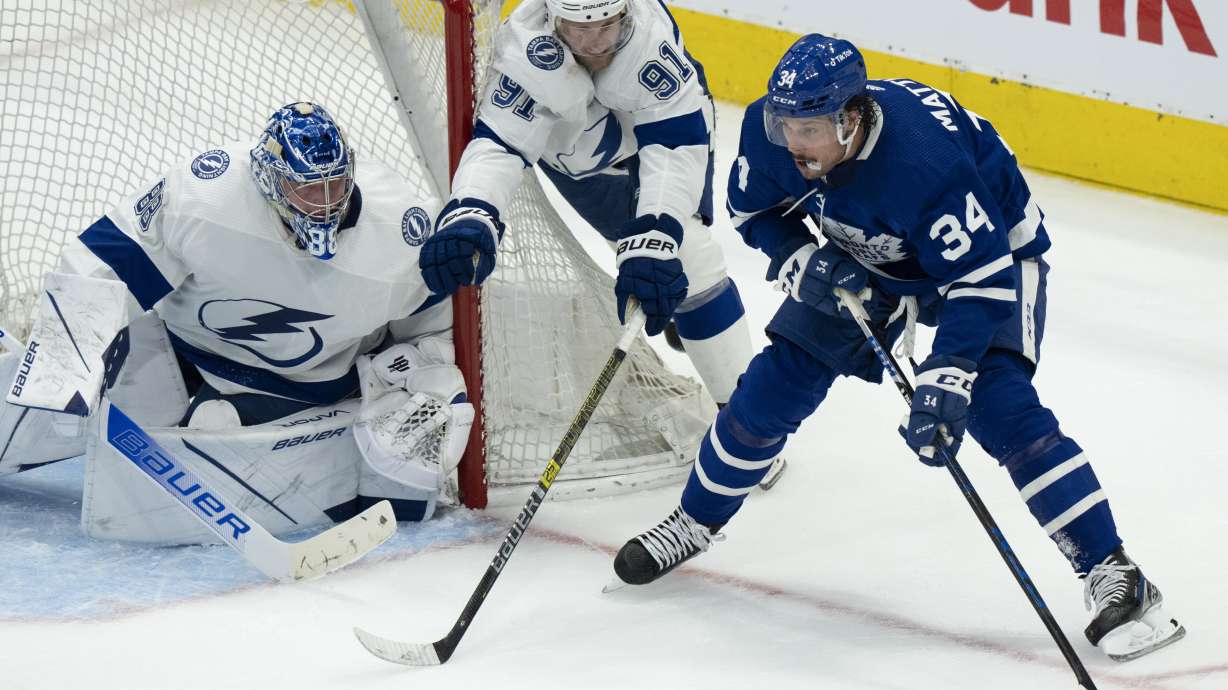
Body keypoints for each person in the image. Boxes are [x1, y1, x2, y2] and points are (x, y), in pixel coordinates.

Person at [610, 35, 1185, 662]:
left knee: (999, 406)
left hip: (989, 261)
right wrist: (800, 258)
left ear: (850, 118)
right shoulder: (770, 132)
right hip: (870, 254)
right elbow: (753, 213)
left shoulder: (923, 162)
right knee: (774, 384)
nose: (792, 143)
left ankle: (1115, 572)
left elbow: (980, 277)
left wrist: (951, 374)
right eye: (785, 124)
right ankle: (695, 520)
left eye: (809, 128)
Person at [0, 102, 471, 543]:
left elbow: (428, 334)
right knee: (43, 398)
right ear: (268, 180)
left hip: (297, 389)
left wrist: (425, 386)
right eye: (306, 188)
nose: (325, 204)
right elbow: (107, 261)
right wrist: (69, 357)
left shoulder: (402, 232)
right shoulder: (206, 196)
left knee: (210, 433)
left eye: (334, 185)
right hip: (180, 348)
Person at [419, 0, 755, 408]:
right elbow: (500, 145)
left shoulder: (651, 43)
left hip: (667, 126)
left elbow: (672, 144)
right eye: (579, 29)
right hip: (581, 155)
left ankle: (746, 421)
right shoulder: (527, 49)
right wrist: (471, 211)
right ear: (553, 19)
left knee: (690, 257)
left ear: (626, 14)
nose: (596, 44)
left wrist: (657, 232)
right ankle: (687, 311)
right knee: (665, 270)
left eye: (608, 26)